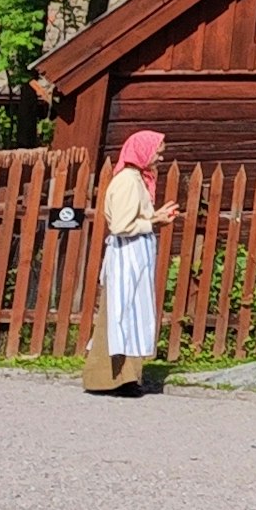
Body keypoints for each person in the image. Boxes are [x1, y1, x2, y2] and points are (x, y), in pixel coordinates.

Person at [81, 129, 176, 396]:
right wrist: (154, 221)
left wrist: (155, 215)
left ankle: (126, 376)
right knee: (120, 313)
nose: (161, 155)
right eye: (158, 150)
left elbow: (134, 216)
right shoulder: (127, 182)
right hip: (127, 254)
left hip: (136, 253)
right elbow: (123, 225)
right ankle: (111, 378)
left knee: (132, 314)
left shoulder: (137, 180)